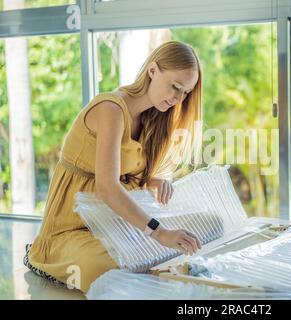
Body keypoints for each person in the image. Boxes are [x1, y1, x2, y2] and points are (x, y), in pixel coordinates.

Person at [24, 41, 203, 294]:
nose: (178, 99)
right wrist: (159, 232)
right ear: (152, 70)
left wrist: (152, 180)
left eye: (185, 92)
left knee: (207, 226)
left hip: (112, 222)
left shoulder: (151, 117)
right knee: (118, 272)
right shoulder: (111, 109)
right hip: (73, 228)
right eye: (175, 87)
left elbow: (124, 171)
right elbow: (108, 188)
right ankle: (48, 259)